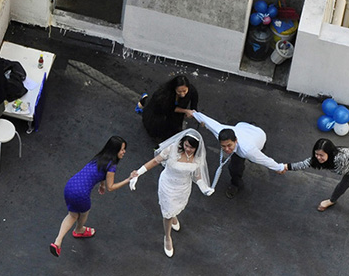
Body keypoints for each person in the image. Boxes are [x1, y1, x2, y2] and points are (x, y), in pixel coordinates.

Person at [128, 128, 212, 257]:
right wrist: (138, 173)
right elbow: (155, 161)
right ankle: (167, 237)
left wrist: (204, 188)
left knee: (175, 208)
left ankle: (174, 216)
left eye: (192, 147)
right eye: (186, 145)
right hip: (167, 186)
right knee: (167, 214)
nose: (188, 149)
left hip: (183, 188)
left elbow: (197, 176)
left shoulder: (198, 158)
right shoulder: (172, 149)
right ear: (183, 142)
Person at [50, 136, 133, 257]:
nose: (124, 152)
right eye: (122, 149)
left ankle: (57, 241)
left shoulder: (100, 157)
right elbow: (111, 187)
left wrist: (102, 184)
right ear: (114, 150)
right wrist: (128, 179)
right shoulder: (112, 166)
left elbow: (98, 172)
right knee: (84, 213)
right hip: (81, 194)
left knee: (72, 215)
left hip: (70, 186)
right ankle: (79, 230)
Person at [184, 108, 286, 197]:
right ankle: (236, 184)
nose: (227, 149)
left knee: (252, 159)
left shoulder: (248, 150)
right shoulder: (219, 131)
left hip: (258, 136)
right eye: (223, 146)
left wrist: (279, 167)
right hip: (243, 128)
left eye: (229, 145)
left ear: (236, 140)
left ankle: (253, 129)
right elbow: (209, 122)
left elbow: (265, 160)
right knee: (235, 168)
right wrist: (193, 114)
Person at [282, 137, 349, 211]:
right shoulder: (319, 159)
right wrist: (286, 167)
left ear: (329, 153)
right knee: (341, 186)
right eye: (316, 154)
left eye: (321, 155)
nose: (318, 157)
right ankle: (331, 201)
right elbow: (304, 164)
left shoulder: (341, 157)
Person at [138, 73, 199, 143]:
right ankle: (144, 100)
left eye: (184, 91)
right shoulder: (165, 94)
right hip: (160, 112)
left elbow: (194, 107)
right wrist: (186, 111)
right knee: (158, 132)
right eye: (179, 91)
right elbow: (167, 108)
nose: (182, 94)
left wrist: (196, 116)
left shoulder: (192, 91)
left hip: (175, 112)